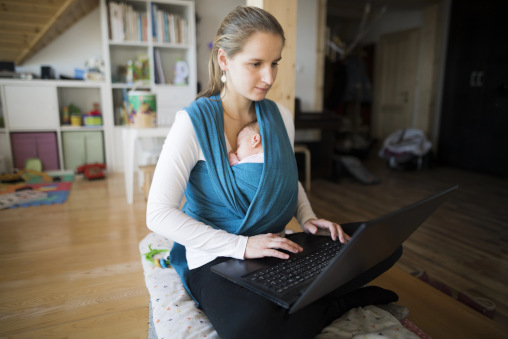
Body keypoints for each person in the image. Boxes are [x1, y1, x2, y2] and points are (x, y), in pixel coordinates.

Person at [146, 6, 401, 339]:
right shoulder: (192, 124)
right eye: (256, 64)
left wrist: (308, 218)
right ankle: (338, 302)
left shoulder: (279, 116)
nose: (269, 77)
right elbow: (158, 214)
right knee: (251, 330)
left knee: (384, 246)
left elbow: (282, 176)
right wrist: (242, 246)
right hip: (217, 257)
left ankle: (302, 296)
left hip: (276, 246)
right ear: (223, 60)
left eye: (275, 63)